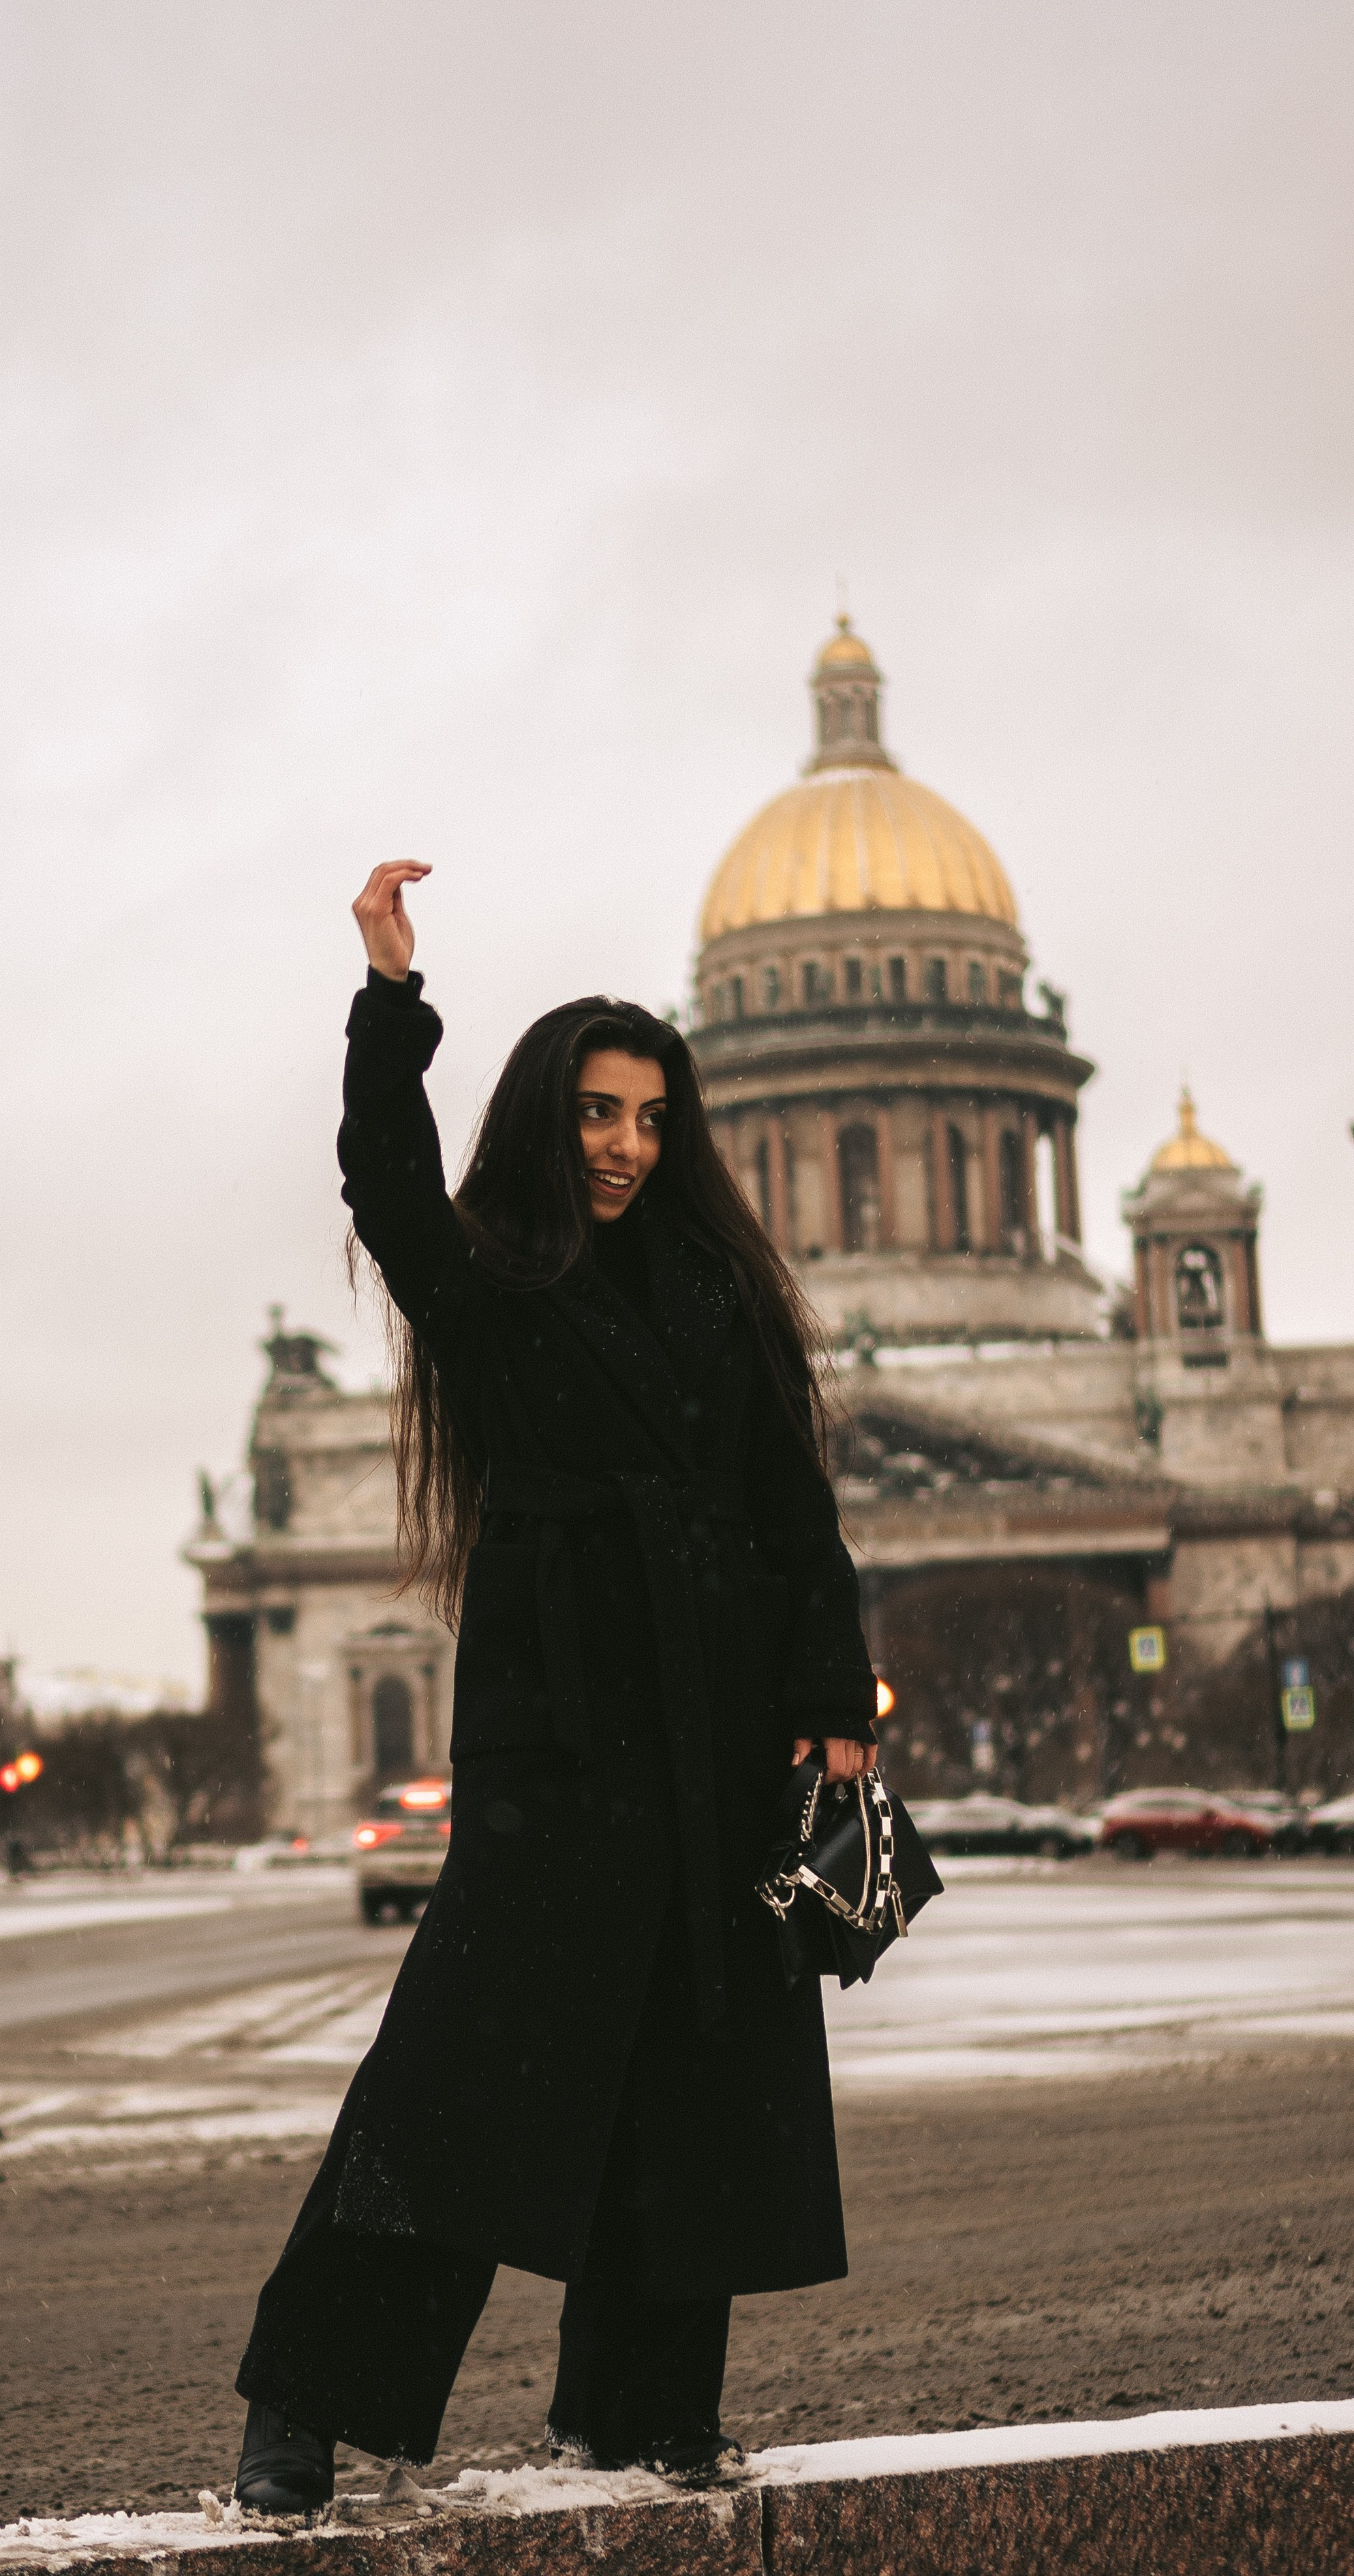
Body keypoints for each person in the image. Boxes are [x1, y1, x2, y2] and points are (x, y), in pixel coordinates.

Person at [231, 859, 879, 2515]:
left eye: (652, 1119)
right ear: (546, 1117)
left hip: (720, 1736)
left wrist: (832, 1701)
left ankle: (644, 2408)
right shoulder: (490, 1283)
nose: (624, 1146)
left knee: (698, 2078)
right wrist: (390, 1003)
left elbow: (788, 1509)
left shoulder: (725, 1297)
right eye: (597, 1113)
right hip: (562, 1735)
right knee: (459, 2076)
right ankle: (306, 2407)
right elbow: (384, 1181)